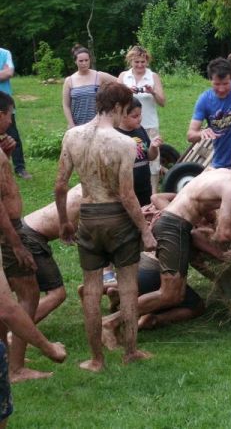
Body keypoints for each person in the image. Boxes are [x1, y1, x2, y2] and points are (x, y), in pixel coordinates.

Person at [101, 169, 231, 347]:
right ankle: (110, 323)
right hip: (174, 226)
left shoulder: (227, 175)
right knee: (170, 294)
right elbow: (223, 235)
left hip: (175, 225)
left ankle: (116, 318)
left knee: (175, 295)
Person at [55, 82, 157, 372]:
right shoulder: (125, 143)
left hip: (88, 217)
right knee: (127, 286)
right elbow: (127, 195)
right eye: (125, 110)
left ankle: (96, 359)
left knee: (91, 289)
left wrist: (64, 221)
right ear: (117, 108)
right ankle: (131, 352)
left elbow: (61, 185)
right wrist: (145, 231)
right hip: (118, 220)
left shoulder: (72, 135)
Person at [0, 91, 67, 383]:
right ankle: (16, 368)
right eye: (9, 114)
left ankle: (6, 362)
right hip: (9, 231)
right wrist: (15, 241)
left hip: (10, 229)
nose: (12, 119)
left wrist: (8, 155)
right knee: (27, 294)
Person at [21, 185, 83, 323]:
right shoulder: (97, 192)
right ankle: (15, 334)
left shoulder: (86, 185)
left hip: (24, 228)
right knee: (57, 294)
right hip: (31, 237)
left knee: (18, 290)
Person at [118, 46, 165, 193]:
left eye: (143, 62)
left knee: (153, 159)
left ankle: (153, 193)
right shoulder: (123, 76)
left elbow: (162, 102)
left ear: (147, 61)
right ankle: (129, 189)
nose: (139, 65)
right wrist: (126, 92)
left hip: (149, 123)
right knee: (130, 158)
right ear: (130, 61)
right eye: (136, 62)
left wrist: (153, 92)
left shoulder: (153, 76)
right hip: (127, 126)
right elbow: (115, 101)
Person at [115, 97, 162, 206]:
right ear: (122, 115)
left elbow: (150, 157)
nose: (139, 119)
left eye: (140, 114)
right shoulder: (115, 135)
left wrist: (153, 147)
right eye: (135, 116)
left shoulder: (140, 130)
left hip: (145, 186)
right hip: (127, 189)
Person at [62, 44, 116, 128]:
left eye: (86, 60)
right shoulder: (69, 81)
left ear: (90, 60)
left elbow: (120, 81)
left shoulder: (99, 76)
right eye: (81, 61)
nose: (84, 63)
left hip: (97, 125)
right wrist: (71, 124)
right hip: (77, 125)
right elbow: (66, 105)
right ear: (75, 61)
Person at [0, 46, 31, 179]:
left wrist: (5, 72)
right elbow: (4, 73)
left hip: (5, 104)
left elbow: (9, 73)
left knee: (13, 136)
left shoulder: (5, 53)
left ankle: (20, 168)